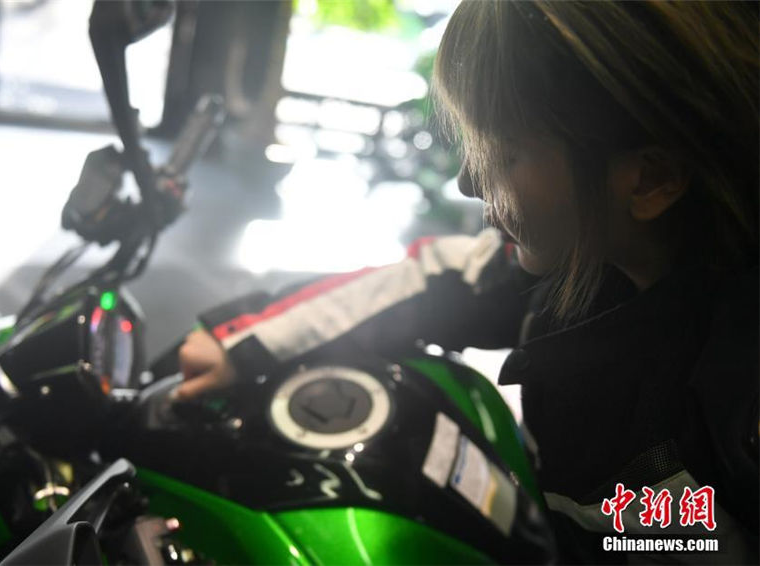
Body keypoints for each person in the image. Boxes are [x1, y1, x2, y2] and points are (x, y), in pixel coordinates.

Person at [173, 1, 758, 563]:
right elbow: (440, 279)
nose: (468, 184)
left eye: (505, 154)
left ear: (650, 179)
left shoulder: (738, 401)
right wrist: (246, 343)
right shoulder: (585, 259)